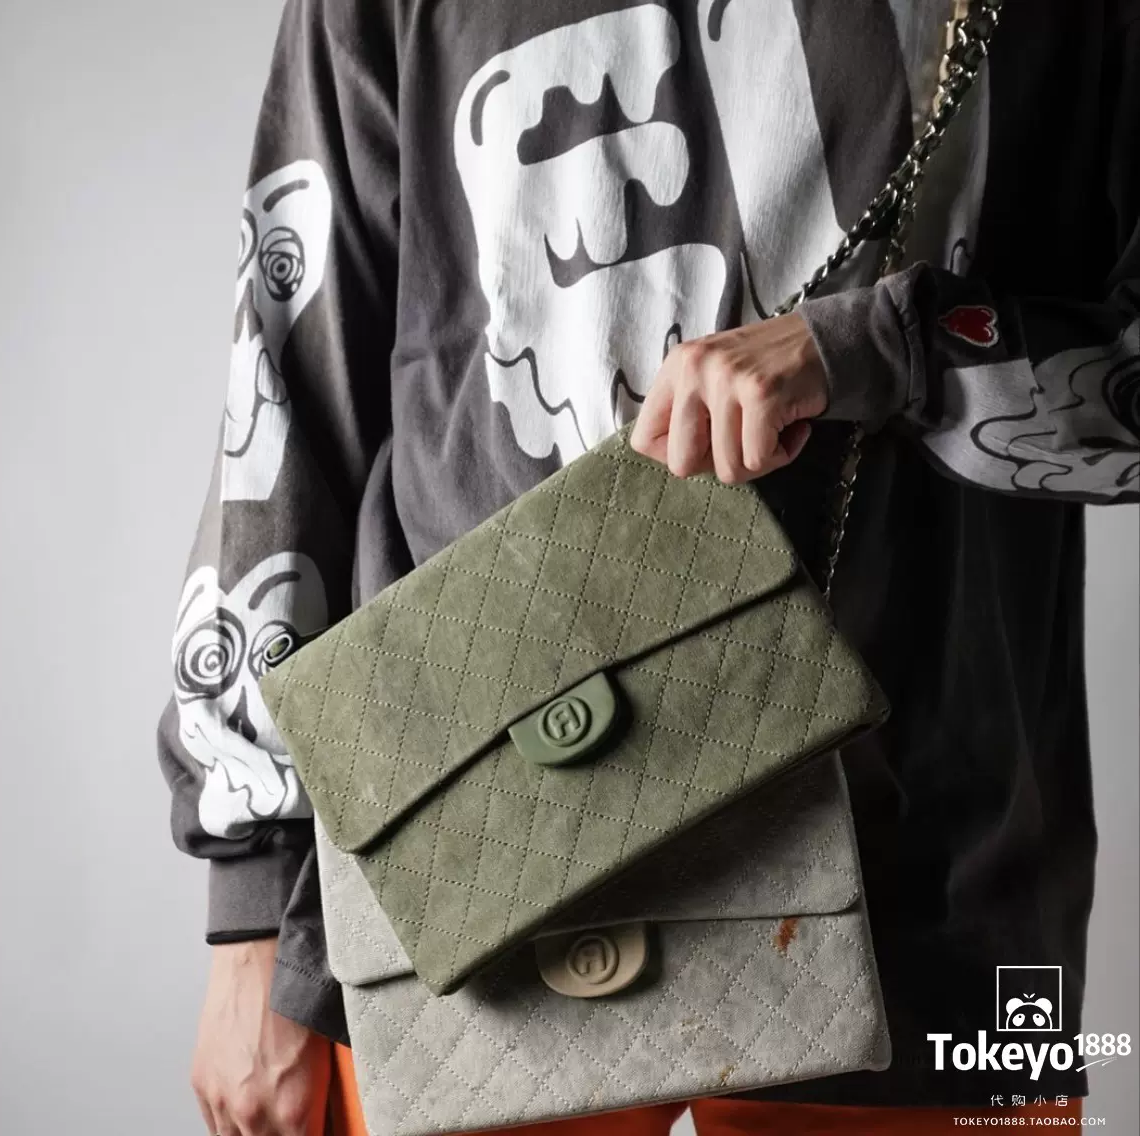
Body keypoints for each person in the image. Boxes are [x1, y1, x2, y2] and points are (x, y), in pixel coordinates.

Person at [157, 0, 1139, 1133]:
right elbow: (293, 378)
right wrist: (254, 913)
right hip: (467, 879)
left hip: (938, 889)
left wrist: (882, 349)